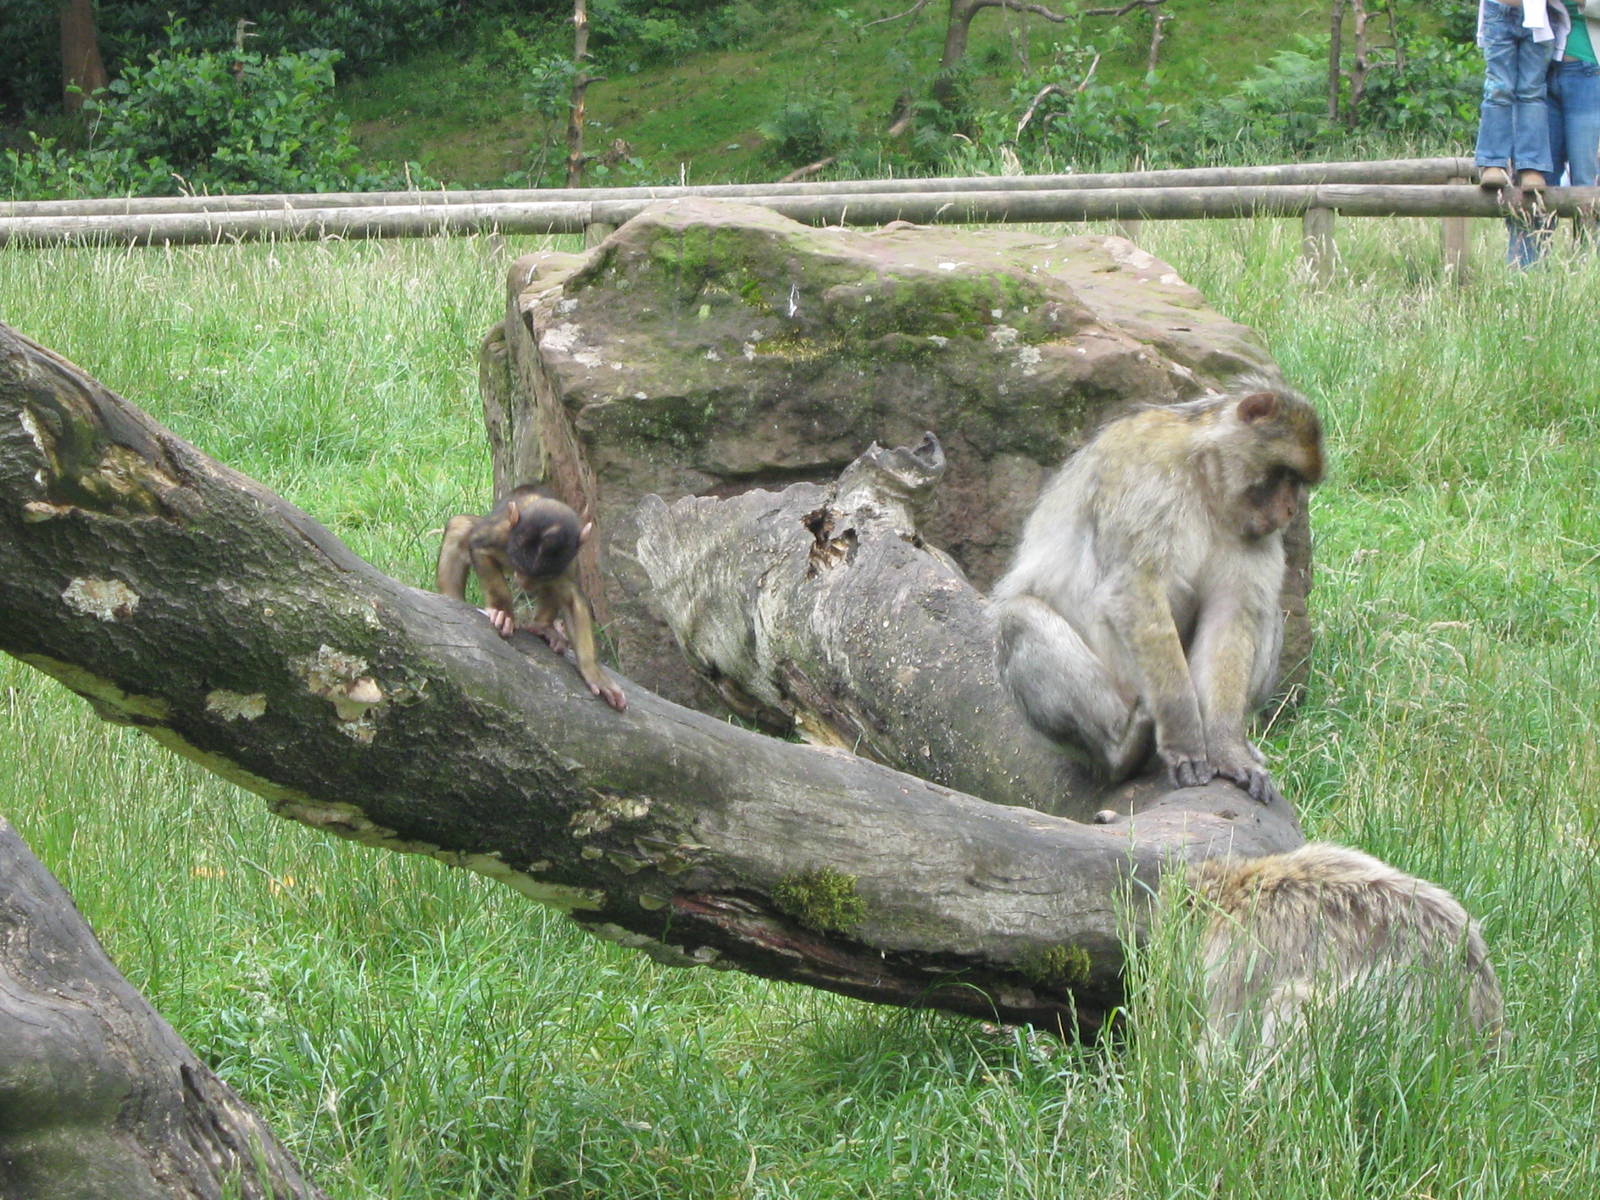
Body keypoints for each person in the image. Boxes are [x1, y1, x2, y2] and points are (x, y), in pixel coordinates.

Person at [1508, 0, 1600, 266]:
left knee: (1589, 177)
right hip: (1537, 70)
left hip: (1590, 71)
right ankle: (1525, 275)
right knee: (1533, 175)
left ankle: (1589, 274)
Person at [1475, 0, 1567, 189]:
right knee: (1498, 88)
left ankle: (1532, 166)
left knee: (1532, 91)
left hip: (1541, 13)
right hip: (1499, 9)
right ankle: (1493, 162)